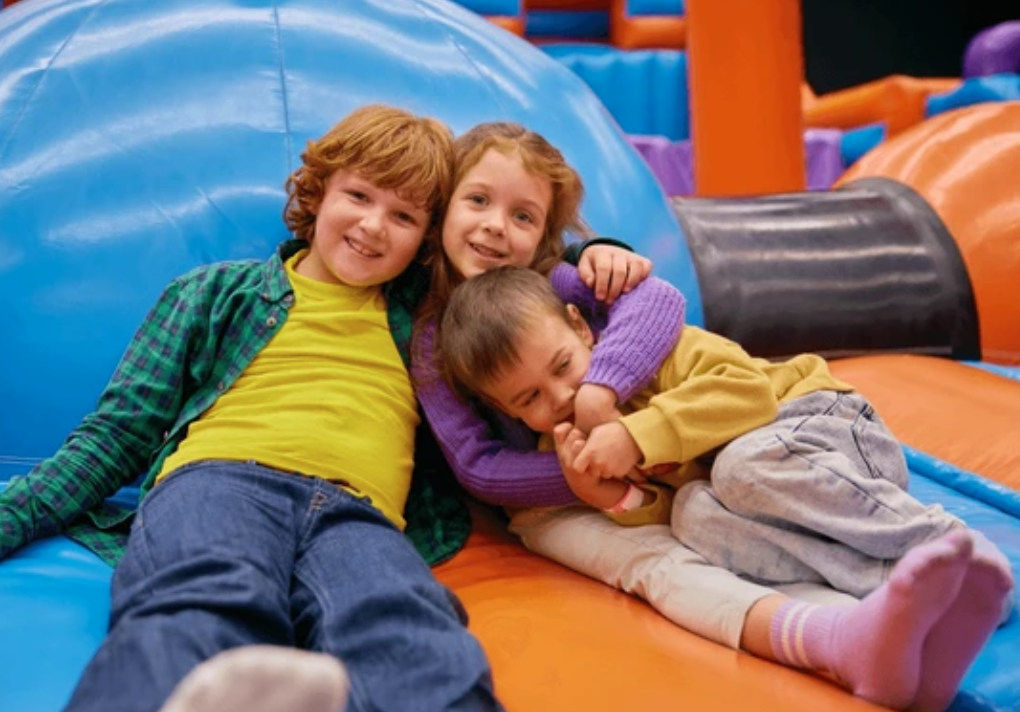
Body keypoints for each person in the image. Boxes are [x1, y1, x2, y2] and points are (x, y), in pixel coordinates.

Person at [0, 104, 506, 712]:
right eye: (359, 196)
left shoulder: (430, 320)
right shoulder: (216, 294)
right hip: (221, 479)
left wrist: (600, 259)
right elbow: (115, 436)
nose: (374, 226)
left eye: (403, 215)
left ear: (427, 238)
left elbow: (529, 295)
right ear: (318, 193)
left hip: (359, 513)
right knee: (201, 602)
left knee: (410, 630)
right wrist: (12, 516)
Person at [439, 265, 1015, 712]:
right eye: (528, 400)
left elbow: (749, 395)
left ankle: (951, 545)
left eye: (562, 366)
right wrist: (615, 500)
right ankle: (902, 591)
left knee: (737, 467)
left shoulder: (652, 354)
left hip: (823, 428)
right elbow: (667, 500)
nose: (559, 397)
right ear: (501, 408)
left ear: (580, 325)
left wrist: (638, 437)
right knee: (692, 516)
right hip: (770, 498)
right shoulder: (565, 448)